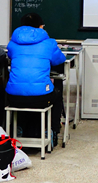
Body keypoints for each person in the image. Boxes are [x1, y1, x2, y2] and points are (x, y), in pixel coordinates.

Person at [6, 13, 66, 145]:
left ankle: (19, 128)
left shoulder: (13, 43)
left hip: (13, 98)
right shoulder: (49, 43)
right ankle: (52, 130)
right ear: (41, 27)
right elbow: (60, 59)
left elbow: (10, 56)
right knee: (56, 94)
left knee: (24, 90)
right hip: (41, 98)